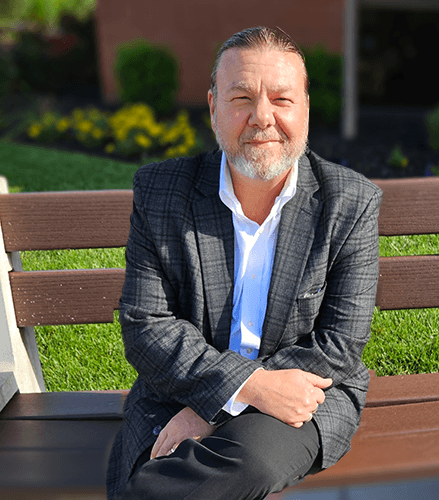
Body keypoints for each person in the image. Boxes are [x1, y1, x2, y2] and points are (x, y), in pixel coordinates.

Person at [107, 26, 382, 500]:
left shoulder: (350, 201)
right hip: (178, 391)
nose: (262, 117)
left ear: (306, 110)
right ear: (213, 107)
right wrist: (243, 387)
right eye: (241, 98)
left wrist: (216, 409)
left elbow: (339, 343)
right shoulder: (161, 192)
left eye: (281, 99)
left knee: (241, 464)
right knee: (151, 468)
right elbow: (146, 325)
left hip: (307, 394)